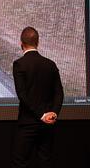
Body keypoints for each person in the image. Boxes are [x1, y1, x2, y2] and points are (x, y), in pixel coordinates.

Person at [11, 27, 64, 168]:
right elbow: (59, 93)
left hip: (28, 123)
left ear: (21, 44)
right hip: (47, 125)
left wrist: (41, 115)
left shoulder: (19, 64)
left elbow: (23, 95)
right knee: (45, 161)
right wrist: (53, 113)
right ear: (38, 42)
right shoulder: (50, 64)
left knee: (20, 162)